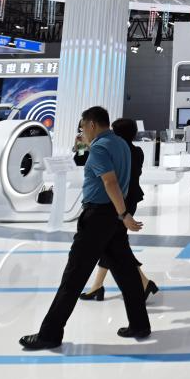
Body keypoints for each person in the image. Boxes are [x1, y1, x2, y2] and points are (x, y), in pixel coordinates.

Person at [19, 106, 151, 350]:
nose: (82, 132)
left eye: (83, 127)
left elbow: (110, 182)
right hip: (113, 216)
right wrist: (121, 214)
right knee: (126, 273)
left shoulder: (100, 148)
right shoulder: (120, 144)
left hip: (99, 217)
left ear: (91, 124)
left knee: (74, 275)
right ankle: (140, 324)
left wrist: (124, 214)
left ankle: (49, 334)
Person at [80, 118, 160, 304]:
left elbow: (109, 179)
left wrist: (84, 148)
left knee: (114, 245)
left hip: (117, 203)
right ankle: (97, 286)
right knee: (112, 243)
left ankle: (144, 283)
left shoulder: (115, 151)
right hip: (129, 201)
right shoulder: (137, 151)